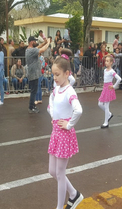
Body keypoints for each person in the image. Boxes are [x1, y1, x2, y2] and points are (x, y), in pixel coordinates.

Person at [47, 51, 83, 209]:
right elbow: (51, 101)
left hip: (64, 135)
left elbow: (79, 110)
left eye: (57, 74)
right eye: (53, 74)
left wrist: (69, 125)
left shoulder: (69, 91)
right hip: (56, 133)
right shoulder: (57, 89)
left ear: (67, 73)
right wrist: (53, 115)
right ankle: (74, 194)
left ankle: (59, 207)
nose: (54, 78)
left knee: (60, 173)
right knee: (52, 171)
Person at [26, 36, 50, 113]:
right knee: (34, 91)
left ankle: (32, 106)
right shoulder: (31, 51)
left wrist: (45, 42)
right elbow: (42, 49)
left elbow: (38, 47)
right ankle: (31, 107)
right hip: (33, 74)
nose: (36, 42)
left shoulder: (29, 49)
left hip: (33, 73)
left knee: (33, 90)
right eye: (35, 41)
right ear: (31, 42)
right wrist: (49, 42)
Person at [98, 55, 122, 128]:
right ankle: (109, 114)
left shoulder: (112, 71)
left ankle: (106, 122)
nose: (106, 62)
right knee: (100, 104)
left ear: (111, 63)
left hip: (109, 88)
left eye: (108, 61)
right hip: (105, 88)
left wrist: (114, 86)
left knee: (106, 105)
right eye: (105, 61)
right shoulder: (105, 70)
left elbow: (119, 79)